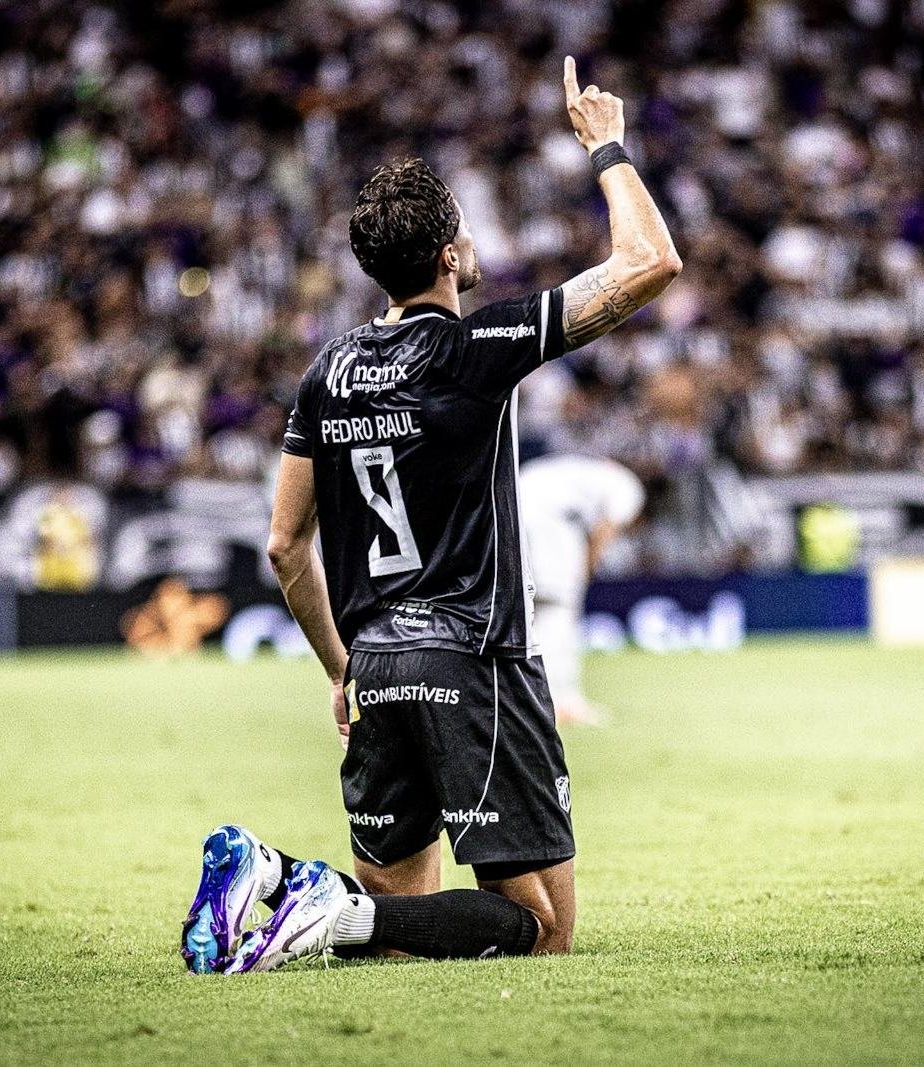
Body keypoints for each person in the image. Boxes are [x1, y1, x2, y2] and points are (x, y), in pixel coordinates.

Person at [181, 56, 680, 973]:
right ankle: (319, 903)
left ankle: (283, 883)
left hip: (374, 663)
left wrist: (343, 669)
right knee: (541, 931)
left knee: (405, 931)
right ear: (451, 256)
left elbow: (285, 545)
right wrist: (607, 145)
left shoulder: (326, 372)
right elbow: (652, 261)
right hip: (474, 661)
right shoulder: (475, 348)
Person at [520, 454, 645, 726]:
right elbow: (605, 530)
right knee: (558, 611)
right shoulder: (629, 486)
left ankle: (538, 697)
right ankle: (559, 700)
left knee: (538, 609)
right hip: (547, 520)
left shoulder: (585, 470)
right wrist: (587, 569)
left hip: (513, 508)